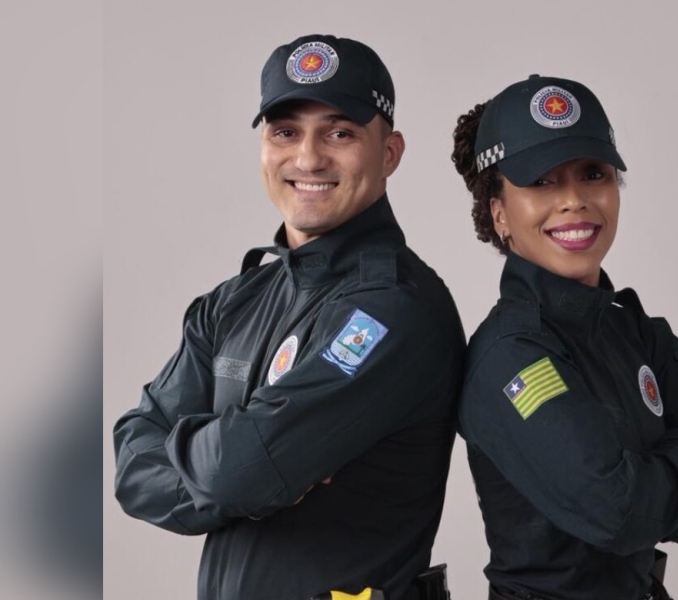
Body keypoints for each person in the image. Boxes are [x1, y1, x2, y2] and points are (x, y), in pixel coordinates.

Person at [113, 34, 464, 600]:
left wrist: (228, 468)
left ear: (390, 152)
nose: (308, 158)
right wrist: (239, 466)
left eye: (340, 133)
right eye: (285, 132)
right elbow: (132, 463)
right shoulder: (234, 301)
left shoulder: (395, 308)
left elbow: (240, 473)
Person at [450, 74, 678, 600]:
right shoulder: (511, 355)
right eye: (542, 182)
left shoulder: (633, 331)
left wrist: (653, 495)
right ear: (499, 213)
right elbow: (619, 514)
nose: (574, 200)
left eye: (593, 174)